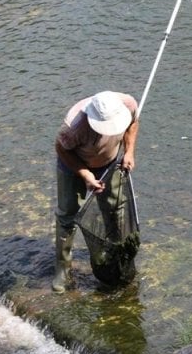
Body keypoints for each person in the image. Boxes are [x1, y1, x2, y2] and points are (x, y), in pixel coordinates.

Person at [52, 90, 139, 293]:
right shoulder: (75, 125)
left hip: (109, 163)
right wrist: (85, 175)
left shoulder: (128, 105)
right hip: (74, 164)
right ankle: (62, 269)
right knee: (68, 214)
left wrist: (129, 152)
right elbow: (61, 149)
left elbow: (133, 124)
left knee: (115, 209)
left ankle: (115, 260)